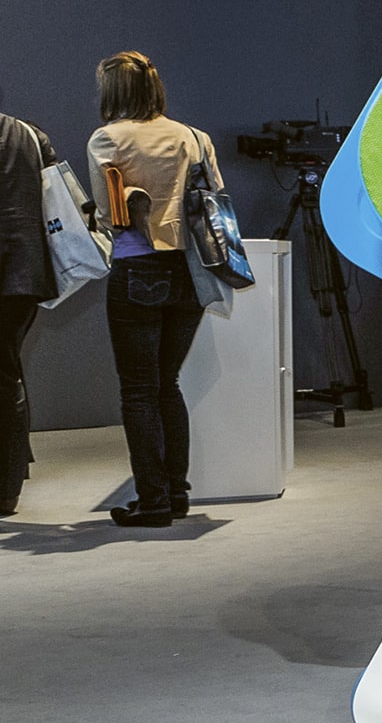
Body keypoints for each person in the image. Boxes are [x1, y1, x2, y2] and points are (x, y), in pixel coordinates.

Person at [86, 51, 226, 528]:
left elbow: (108, 215)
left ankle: (153, 501)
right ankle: (178, 493)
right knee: (168, 385)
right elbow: (214, 201)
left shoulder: (108, 139)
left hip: (137, 268)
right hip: (191, 270)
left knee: (139, 391)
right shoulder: (194, 136)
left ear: (113, 91)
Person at [0, 112, 60, 516]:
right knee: (7, 371)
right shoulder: (29, 133)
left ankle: (8, 480)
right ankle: (9, 483)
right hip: (25, 273)